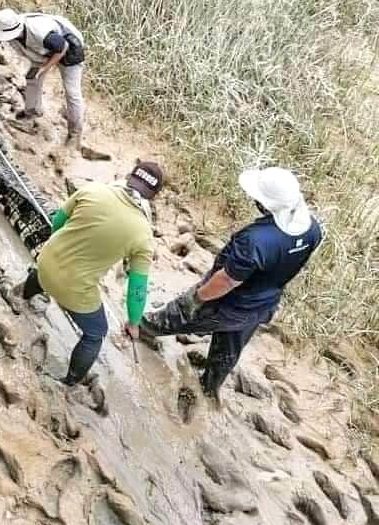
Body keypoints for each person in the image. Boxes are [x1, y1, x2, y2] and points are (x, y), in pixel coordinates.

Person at [137, 167, 323, 400]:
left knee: (173, 317)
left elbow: (226, 281)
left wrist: (195, 298)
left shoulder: (255, 240)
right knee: (228, 350)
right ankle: (210, 387)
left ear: (267, 204)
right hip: (261, 306)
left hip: (228, 303)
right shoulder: (312, 229)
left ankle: (139, 329)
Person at [17, 162, 163, 386]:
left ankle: (22, 299)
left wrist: (61, 247)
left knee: (44, 272)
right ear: (153, 196)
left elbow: (58, 222)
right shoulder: (143, 235)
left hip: (46, 260)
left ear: (129, 176)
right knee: (96, 333)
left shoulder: (93, 189)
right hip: (74, 289)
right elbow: (137, 289)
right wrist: (133, 323)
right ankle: (70, 382)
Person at [0, 6, 85, 140]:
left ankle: (74, 134)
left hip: (70, 49)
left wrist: (46, 67)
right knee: (32, 78)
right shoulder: (5, 26)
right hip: (42, 50)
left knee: (72, 93)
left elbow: (63, 47)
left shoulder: (39, 32)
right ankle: (32, 113)